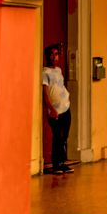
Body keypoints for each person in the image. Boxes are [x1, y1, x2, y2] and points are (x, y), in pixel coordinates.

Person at [42, 45, 73, 174]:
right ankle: (56, 165)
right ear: (47, 56)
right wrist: (51, 108)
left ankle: (62, 163)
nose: (54, 57)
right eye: (51, 54)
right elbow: (45, 93)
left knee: (64, 137)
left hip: (66, 107)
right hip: (55, 111)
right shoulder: (44, 72)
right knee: (57, 137)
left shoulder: (59, 70)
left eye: (56, 54)